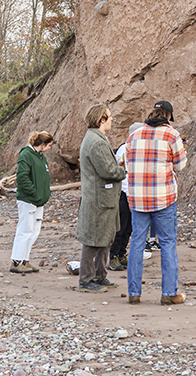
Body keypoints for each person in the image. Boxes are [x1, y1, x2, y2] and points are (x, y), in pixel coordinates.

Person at [125, 100, 188, 305]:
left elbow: (127, 163)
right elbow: (181, 165)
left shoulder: (133, 136)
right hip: (163, 197)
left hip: (137, 198)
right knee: (168, 243)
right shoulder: (172, 134)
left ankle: (134, 293)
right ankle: (169, 293)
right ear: (168, 116)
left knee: (137, 243)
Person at [74, 105, 127, 292]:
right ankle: (86, 281)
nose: (112, 119)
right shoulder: (96, 142)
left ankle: (100, 275)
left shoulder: (96, 138)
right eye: (109, 116)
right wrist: (123, 171)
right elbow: (108, 171)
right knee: (93, 241)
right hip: (99, 200)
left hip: (103, 199)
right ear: (101, 120)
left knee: (105, 239)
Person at [10, 131, 54, 273]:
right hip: (28, 200)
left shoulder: (40, 157)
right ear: (42, 144)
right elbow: (22, 177)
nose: (49, 148)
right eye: (49, 145)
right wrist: (34, 193)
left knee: (34, 231)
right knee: (25, 230)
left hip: (38, 201)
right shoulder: (26, 155)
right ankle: (16, 262)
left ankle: (25, 260)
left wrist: (42, 195)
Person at [108, 123, 136, 271]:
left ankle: (122, 252)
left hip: (133, 192)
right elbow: (122, 172)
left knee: (129, 227)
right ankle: (114, 256)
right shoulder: (125, 149)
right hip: (124, 192)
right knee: (120, 226)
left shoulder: (137, 148)